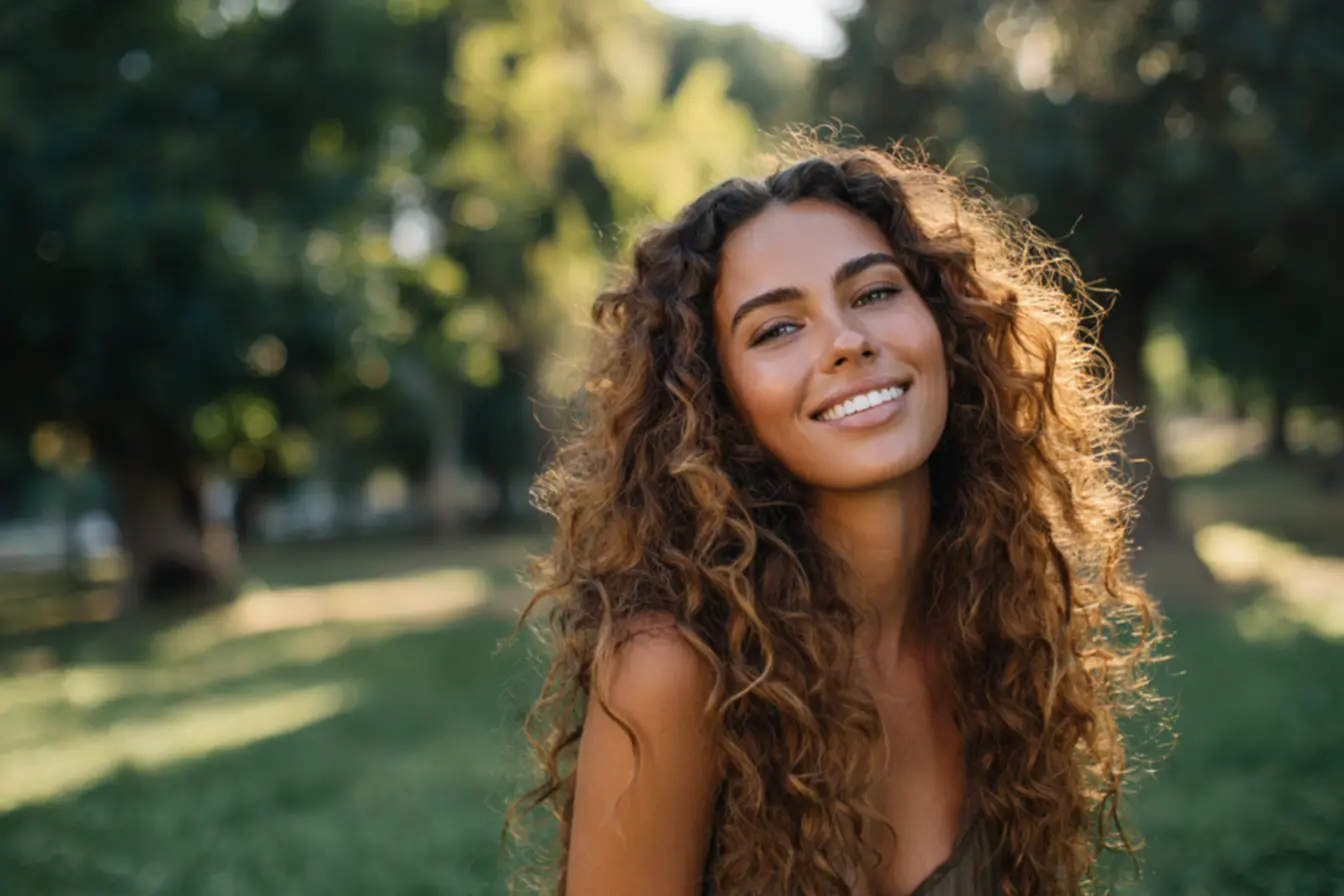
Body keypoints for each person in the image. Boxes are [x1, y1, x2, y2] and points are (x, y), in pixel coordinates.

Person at [506, 143, 1162, 895]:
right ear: (716, 405)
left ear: (947, 326)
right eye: (776, 329)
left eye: (876, 293)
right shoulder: (674, 666)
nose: (848, 342)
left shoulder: (997, 617)